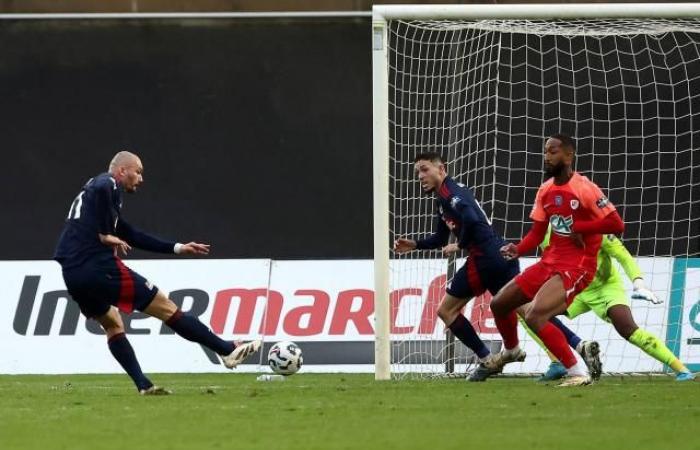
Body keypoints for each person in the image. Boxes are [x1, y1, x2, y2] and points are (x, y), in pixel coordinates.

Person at [54, 151, 261, 395]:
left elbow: (132, 235)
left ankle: (144, 385)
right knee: (166, 307)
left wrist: (177, 247)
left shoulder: (103, 205)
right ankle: (226, 350)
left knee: (112, 323)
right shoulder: (107, 183)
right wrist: (102, 234)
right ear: (122, 171)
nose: (140, 179)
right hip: (97, 266)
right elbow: (100, 186)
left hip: (72, 272)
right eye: (138, 172)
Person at [490, 133, 625, 387]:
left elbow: (616, 223)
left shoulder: (585, 187)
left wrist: (583, 226)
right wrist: (518, 248)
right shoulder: (546, 189)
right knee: (499, 304)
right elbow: (537, 233)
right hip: (549, 261)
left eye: (553, 152)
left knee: (534, 316)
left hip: (578, 266)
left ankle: (575, 372)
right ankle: (511, 351)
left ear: (568, 155)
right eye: (545, 152)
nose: (547, 157)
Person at [394, 152, 522, 381]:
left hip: (484, 257)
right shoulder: (444, 199)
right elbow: (439, 239)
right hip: (499, 252)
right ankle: (574, 349)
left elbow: (472, 219)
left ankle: (486, 358)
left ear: (441, 169)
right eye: (417, 172)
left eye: (424, 170)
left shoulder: (449, 193)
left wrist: (460, 245)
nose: (420, 176)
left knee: (446, 310)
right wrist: (414, 245)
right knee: (528, 309)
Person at [526, 228, 694, 382]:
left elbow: (623, 256)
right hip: (576, 289)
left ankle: (681, 369)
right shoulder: (547, 234)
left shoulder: (598, 232)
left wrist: (639, 283)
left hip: (606, 287)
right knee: (531, 312)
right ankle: (558, 361)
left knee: (628, 329)